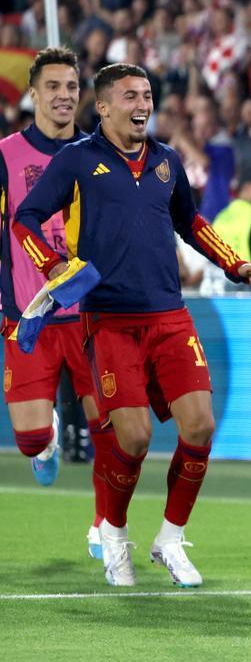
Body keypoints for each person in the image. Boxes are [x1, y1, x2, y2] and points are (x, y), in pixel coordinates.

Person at [14, 63, 251, 589]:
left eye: (148, 95)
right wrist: (52, 267)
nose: (143, 104)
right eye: (130, 96)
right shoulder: (77, 161)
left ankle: (170, 539)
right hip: (108, 321)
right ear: (103, 107)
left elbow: (190, 223)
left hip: (170, 315)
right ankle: (114, 533)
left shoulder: (167, 162)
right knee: (133, 437)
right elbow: (25, 218)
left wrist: (235, 264)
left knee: (200, 426)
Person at [0, 47, 109, 555]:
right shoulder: (6, 155)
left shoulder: (99, 154)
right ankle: (44, 442)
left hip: (90, 315)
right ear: (34, 92)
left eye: (71, 87)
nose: (64, 96)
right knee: (27, 438)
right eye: (53, 87)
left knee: (109, 427)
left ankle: (105, 524)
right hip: (28, 316)